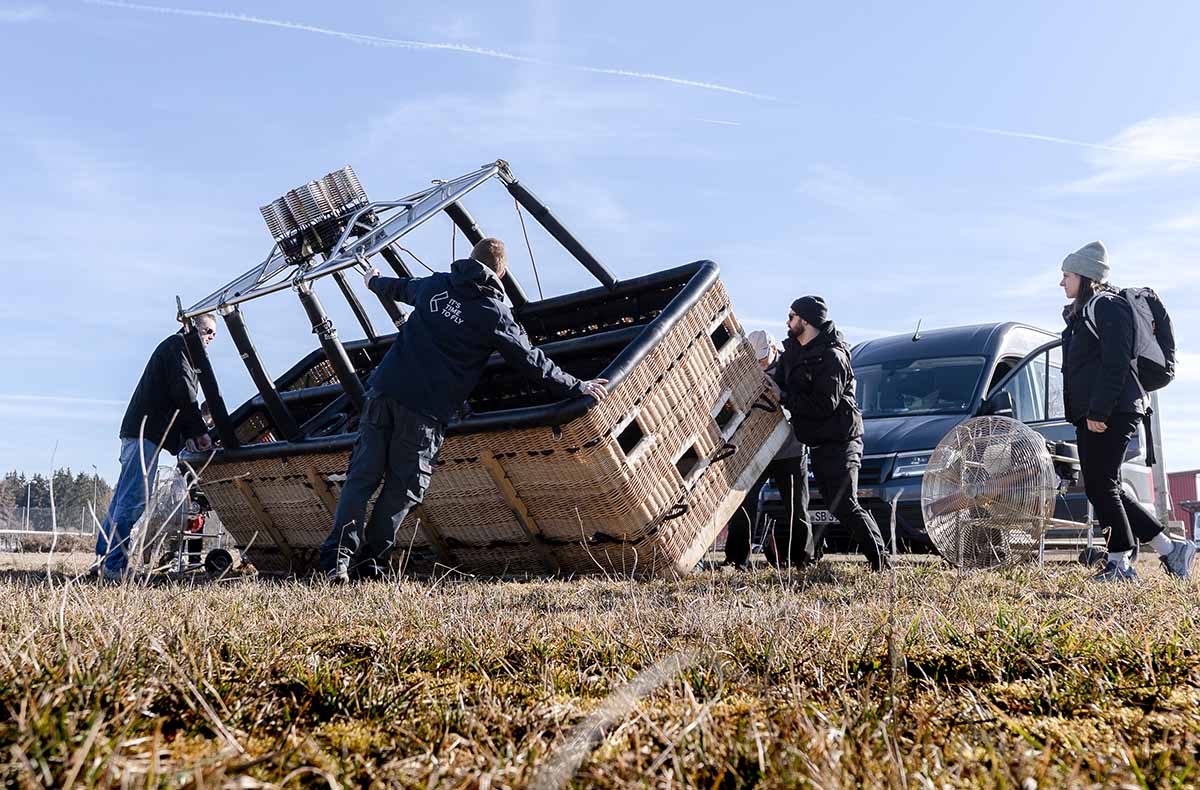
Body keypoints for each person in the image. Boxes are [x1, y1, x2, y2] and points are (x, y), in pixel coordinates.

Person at [319, 238, 610, 582]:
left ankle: (336, 562)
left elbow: (398, 288)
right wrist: (577, 385)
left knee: (362, 478)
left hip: (384, 392)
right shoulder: (493, 312)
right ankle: (371, 564)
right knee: (402, 489)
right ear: (501, 272)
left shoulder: (436, 284)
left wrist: (372, 281)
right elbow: (531, 361)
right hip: (425, 411)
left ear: (469, 260)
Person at [1059, 241, 1195, 581]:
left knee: (1101, 484)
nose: (1062, 283)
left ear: (1086, 276)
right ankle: (1170, 549)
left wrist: (1099, 411)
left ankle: (1119, 561)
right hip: (1100, 409)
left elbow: (1116, 362)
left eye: (1067, 275)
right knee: (1105, 485)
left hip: (1114, 409)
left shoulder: (1107, 306)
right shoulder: (1085, 311)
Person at [94, 316, 216, 580]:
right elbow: (184, 394)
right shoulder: (178, 347)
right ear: (191, 328)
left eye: (213, 334)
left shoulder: (180, 353)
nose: (210, 337)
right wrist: (198, 431)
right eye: (208, 331)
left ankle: (104, 560)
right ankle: (115, 566)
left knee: (121, 501)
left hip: (142, 432)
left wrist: (188, 434)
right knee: (133, 499)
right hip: (144, 433)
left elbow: (177, 400)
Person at [774, 296, 888, 571]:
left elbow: (825, 404)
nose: (787, 322)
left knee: (845, 504)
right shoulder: (794, 353)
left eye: (791, 316)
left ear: (806, 320)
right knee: (837, 506)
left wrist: (784, 398)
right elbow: (781, 381)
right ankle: (878, 561)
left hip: (842, 440)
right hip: (820, 442)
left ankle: (882, 564)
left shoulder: (832, 357)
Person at [722, 330, 809, 568]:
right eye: (755, 360)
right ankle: (736, 559)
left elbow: (802, 401)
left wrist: (781, 395)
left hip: (789, 449)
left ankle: (799, 558)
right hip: (756, 450)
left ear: (773, 349)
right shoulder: (743, 370)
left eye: (762, 359)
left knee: (796, 506)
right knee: (743, 504)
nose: (759, 365)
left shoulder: (791, 369)